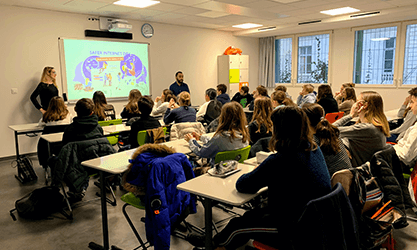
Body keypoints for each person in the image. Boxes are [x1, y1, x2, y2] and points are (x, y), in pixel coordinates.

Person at [187, 106, 331, 249]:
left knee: (237, 226)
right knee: (248, 217)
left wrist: (261, 171)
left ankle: (212, 245)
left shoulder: (280, 160)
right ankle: (217, 242)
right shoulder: (313, 149)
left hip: (293, 228)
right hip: (315, 220)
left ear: (280, 130)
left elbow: (243, 185)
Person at [333, 91, 390, 167]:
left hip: (356, 171)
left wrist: (350, 115)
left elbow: (330, 130)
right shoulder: (375, 125)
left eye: (356, 102)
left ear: (364, 105)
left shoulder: (366, 128)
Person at [185, 102, 250, 165]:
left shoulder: (221, 137)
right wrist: (201, 137)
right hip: (235, 170)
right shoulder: (244, 135)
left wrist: (191, 141)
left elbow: (201, 152)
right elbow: (216, 143)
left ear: (223, 117)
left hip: (218, 173)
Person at [302, 103, 352, 177]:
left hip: (332, 183)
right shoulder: (332, 131)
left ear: (305, 121)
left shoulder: (313, 142)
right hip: (348, 180)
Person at [393, 89, 417, 166]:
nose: (410, 105)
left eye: (412, 102)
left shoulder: (415, 129)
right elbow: (400, 114)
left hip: (401, 162)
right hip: (399, 148)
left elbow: (405, 156)